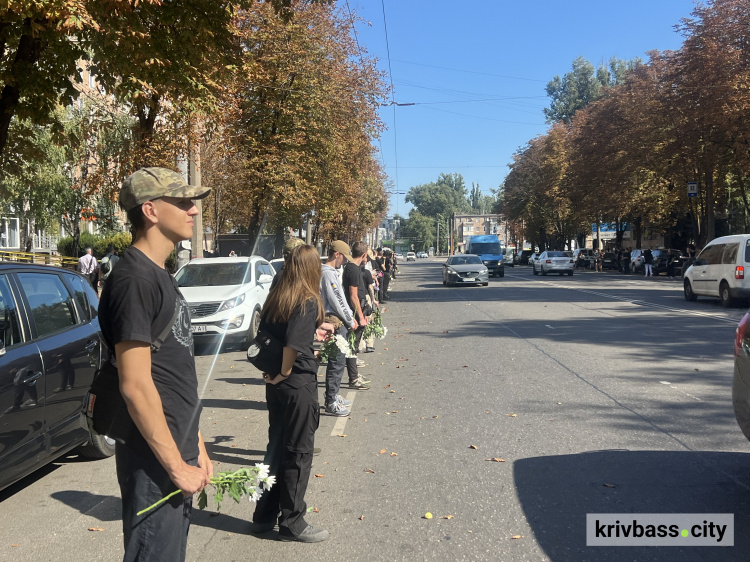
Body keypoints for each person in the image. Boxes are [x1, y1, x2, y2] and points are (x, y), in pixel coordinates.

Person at [98, 167, 213, 562]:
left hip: (175, 451)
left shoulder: (161, 275)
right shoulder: (133, 280)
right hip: (153, 460)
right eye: (182, 202)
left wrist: (195, 446)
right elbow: (135, 384)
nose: (193, 210)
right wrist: (175, 466)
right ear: (150, 210)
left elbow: (175, 368)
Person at [251, 244, 330, 543]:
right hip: (296, 383)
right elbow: (292, 346)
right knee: (298, 453)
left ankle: (263, 516)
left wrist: (276, 376)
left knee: (276, 450)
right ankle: (293, 522)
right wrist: (285, 372)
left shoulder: (278, 296)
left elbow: (277, 335)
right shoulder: (306, 299)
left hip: (277, 386)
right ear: (311, 268)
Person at [320, 240, 359, 416]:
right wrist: (350, 320)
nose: (344, 262)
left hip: (334, 318)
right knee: (337, 361)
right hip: (334, 320)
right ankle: (331, 400)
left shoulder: (327, 272)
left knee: (339, 360)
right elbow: (338, 300)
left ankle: (333, 395)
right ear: (337, 254)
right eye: (343, 258)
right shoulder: (328, 274)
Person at [342, 241, 371, 389]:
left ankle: (355, 376)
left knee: (352, 345)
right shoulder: (353, 269)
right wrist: (360, 316)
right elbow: (353, 296)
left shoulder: (352, 267)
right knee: (352, 345)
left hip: (356, 310)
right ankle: (353, 379)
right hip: (354, 313)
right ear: (364, 255)